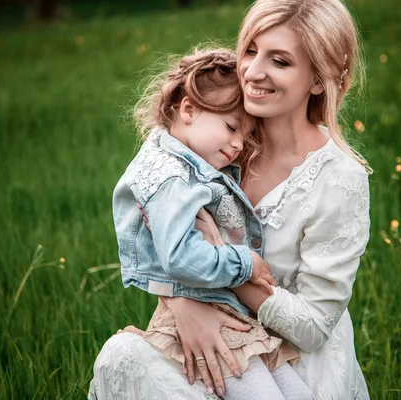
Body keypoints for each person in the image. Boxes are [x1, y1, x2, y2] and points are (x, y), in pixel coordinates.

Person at [89, 0, 371, 398]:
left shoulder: (340, 179)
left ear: (318, 79)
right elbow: (162, 242)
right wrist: (185, 305)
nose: (254, 72)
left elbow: (313, 329)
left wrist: (223, 260)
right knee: (121, 357)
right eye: (251, 50)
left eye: (281, 61)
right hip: (205, 333)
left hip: (296, 364)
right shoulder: (216, 145)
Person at [100, 47, 314, 400]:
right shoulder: (171, 177)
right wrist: (244, 263)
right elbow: (179, 257)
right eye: (231, 127)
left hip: (229, 314)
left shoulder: (182, 162)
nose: (237, 144)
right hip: (211, 315)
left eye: (244, 136)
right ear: (188, 110)